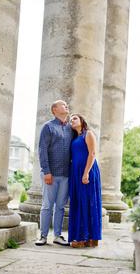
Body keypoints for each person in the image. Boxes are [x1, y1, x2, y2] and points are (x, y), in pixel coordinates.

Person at [35, 100, 76, 246]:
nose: (67, 106)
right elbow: (42, 150)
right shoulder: (48, 127)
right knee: (47, 206)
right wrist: (46, 171)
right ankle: (43, 236)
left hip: (66, 175)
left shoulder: (71, 128)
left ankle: (57, 235)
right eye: (63, 105)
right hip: (50, 174)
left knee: (60, 207)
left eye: (66, 104)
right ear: (55, 110)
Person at [68, 113, 102, 248]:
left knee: (88, 202)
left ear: (82, 121)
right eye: (70, 119)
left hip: (87, 170)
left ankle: (84, 238)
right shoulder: (75, 137)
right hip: (76, 171)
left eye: (75, 118)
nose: (72, 120)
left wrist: (86, 173)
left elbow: (92, 153)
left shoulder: (88, 133)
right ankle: (87, 238)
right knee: (78, 202)